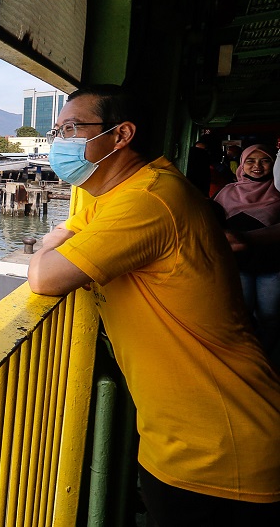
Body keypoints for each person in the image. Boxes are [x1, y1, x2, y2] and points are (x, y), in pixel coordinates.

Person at [27, 85, 280, 526]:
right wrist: (59, 238)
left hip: (223, 447)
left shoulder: (147, 200)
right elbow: (77, 224)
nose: (59, 143)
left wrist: (46, 244)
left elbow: (46, 277)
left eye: (71, 128)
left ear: (121, 135)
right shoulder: (115, 193)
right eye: (57, 131)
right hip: (185, 441)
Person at [214, 144, 280, 360]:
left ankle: (267, 358)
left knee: (270, 315)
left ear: (274, 164)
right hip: (236, 265)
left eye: (265, 160)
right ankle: (247, 359)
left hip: (271, 265)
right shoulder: (227, 192)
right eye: (250, 161)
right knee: (241, 314)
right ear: (242, 164)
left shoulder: (279, 192)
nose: (257, 166)